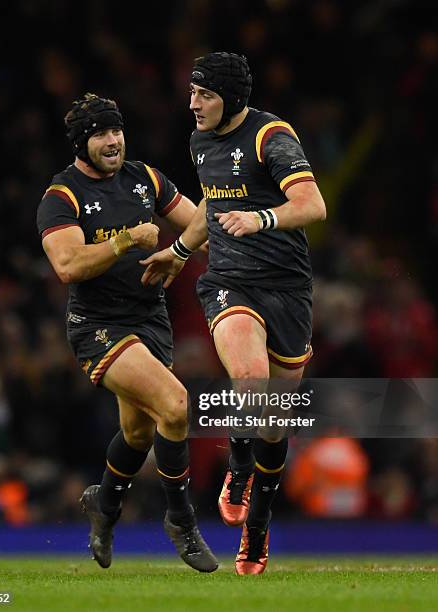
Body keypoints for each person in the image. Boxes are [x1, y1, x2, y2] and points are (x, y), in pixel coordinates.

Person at [141, 52, 326, 574]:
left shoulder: (272, 137)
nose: (193, 104)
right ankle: (238, 468)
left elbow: (313, 205)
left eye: (205, 95)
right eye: (192, 93)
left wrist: (262, 218)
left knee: (274, 423)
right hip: (228, 282)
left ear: (233, 99)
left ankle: (258, 526)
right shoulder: (201, 140)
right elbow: (211, 204)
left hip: (287, 288)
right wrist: (179, 253)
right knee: (250, 379)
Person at [36, 93, 218, 573]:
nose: (112, 140)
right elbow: (68, 265)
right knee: (176, 405)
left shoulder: (146, 178)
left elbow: (200, 218)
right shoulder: (62, 196)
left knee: (138, 431)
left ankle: (106, 506)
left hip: (149, 319)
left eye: (115, 130)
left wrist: (182, 246)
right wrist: (125, 240)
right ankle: (181, 520)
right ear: (81, 142)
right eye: (100, 133)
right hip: (97, 325)